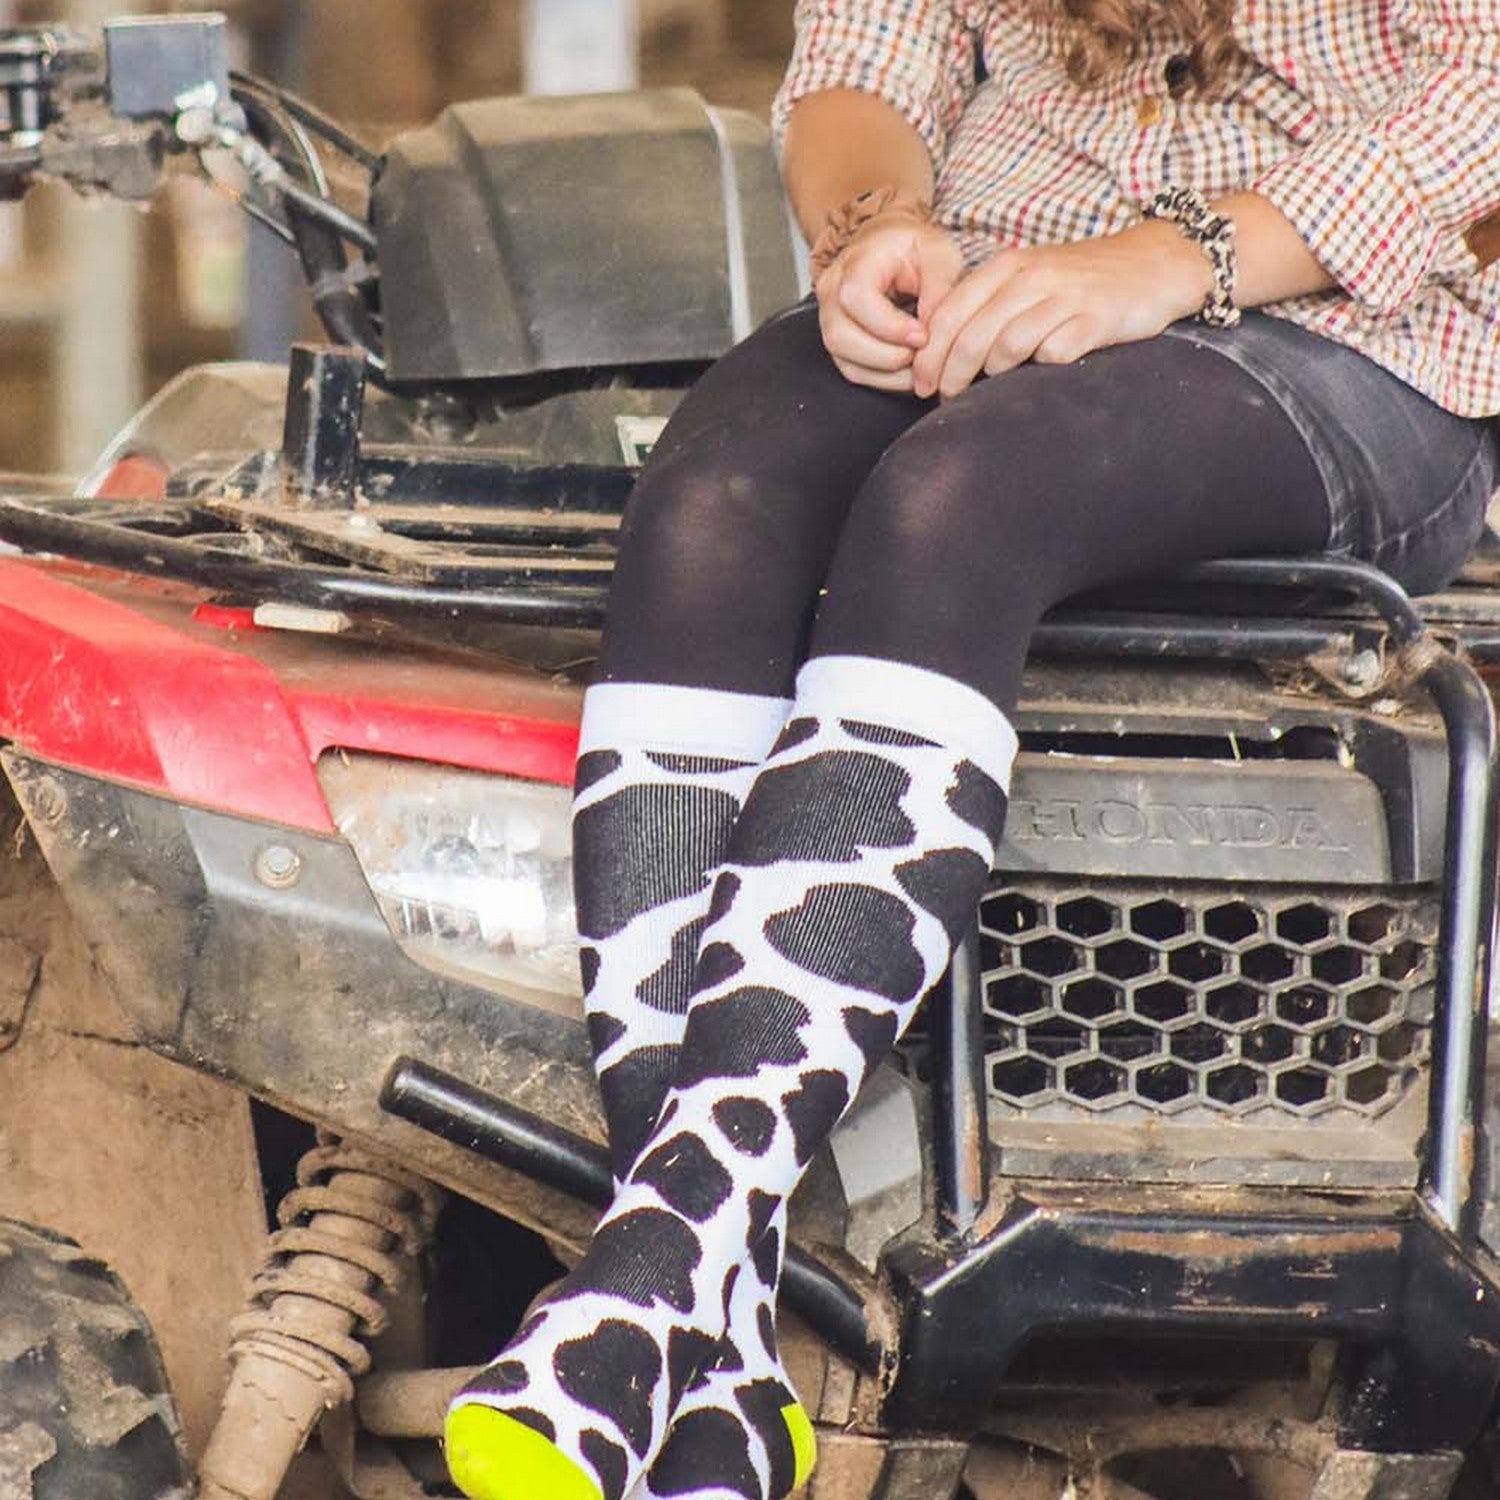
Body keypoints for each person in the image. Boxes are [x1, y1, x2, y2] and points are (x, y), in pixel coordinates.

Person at [444, 2, 1500, 1498]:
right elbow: (868, 59)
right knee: (708, 495)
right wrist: (876, 228)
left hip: (1347, 341)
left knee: (958, 495)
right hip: (1000, 284)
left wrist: (1169, 261)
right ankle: (710, 1356)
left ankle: (648, 1277)